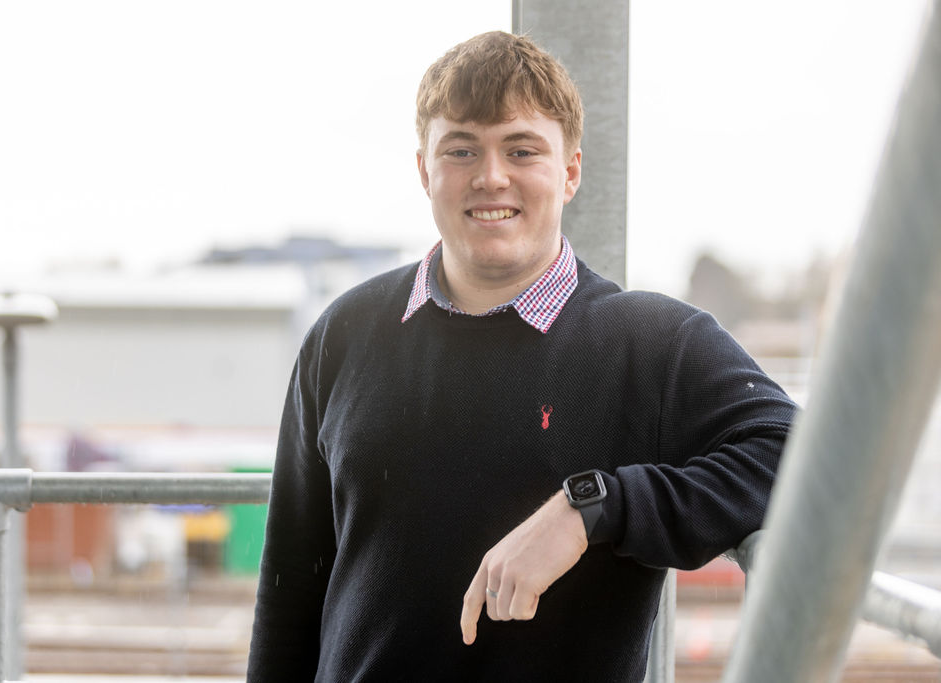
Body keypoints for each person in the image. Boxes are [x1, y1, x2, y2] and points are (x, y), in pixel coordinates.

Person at [247, 31, 796, 682]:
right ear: (424, 170)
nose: (491, 176)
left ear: (569, 172)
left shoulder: (651, 343)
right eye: (461, 149)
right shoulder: (342, 333)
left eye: (521, 149)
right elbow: (288, 589)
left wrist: (594, 507)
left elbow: (802, 454)